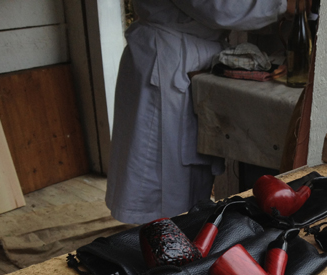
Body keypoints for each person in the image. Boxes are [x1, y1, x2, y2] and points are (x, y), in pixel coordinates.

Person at [106, 0, 297, 224]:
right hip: (168, 59)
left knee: (184, 181)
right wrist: (283, 4)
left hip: (178, 54)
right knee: (164, 184)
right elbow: (218, 7)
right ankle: (163, 243)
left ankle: (175, 238)